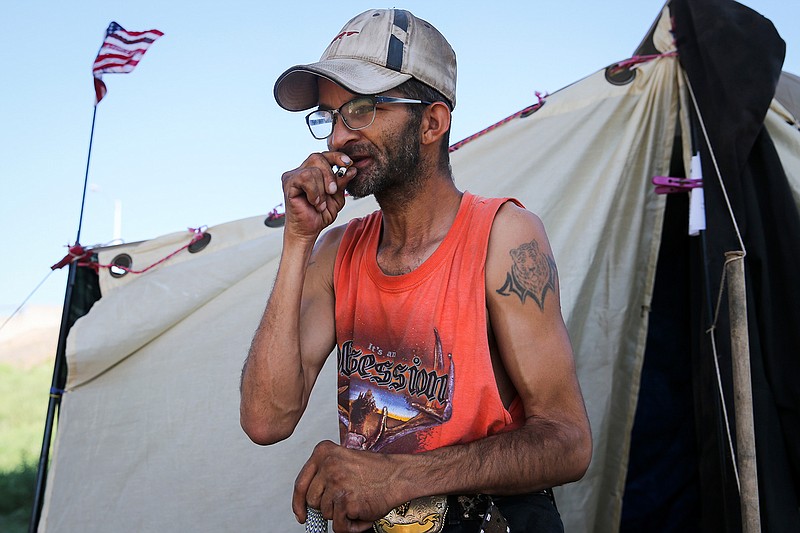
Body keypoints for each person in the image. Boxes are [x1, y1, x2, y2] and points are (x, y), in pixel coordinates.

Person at [240, 8, 592, 533]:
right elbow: (266, 420)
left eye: (360, 109)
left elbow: (568, 441)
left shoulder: (504, 236)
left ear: (432, 122)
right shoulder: (336, 253)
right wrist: (297, 240)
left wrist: (396, 477)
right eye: (330, 115)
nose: (337, 137)